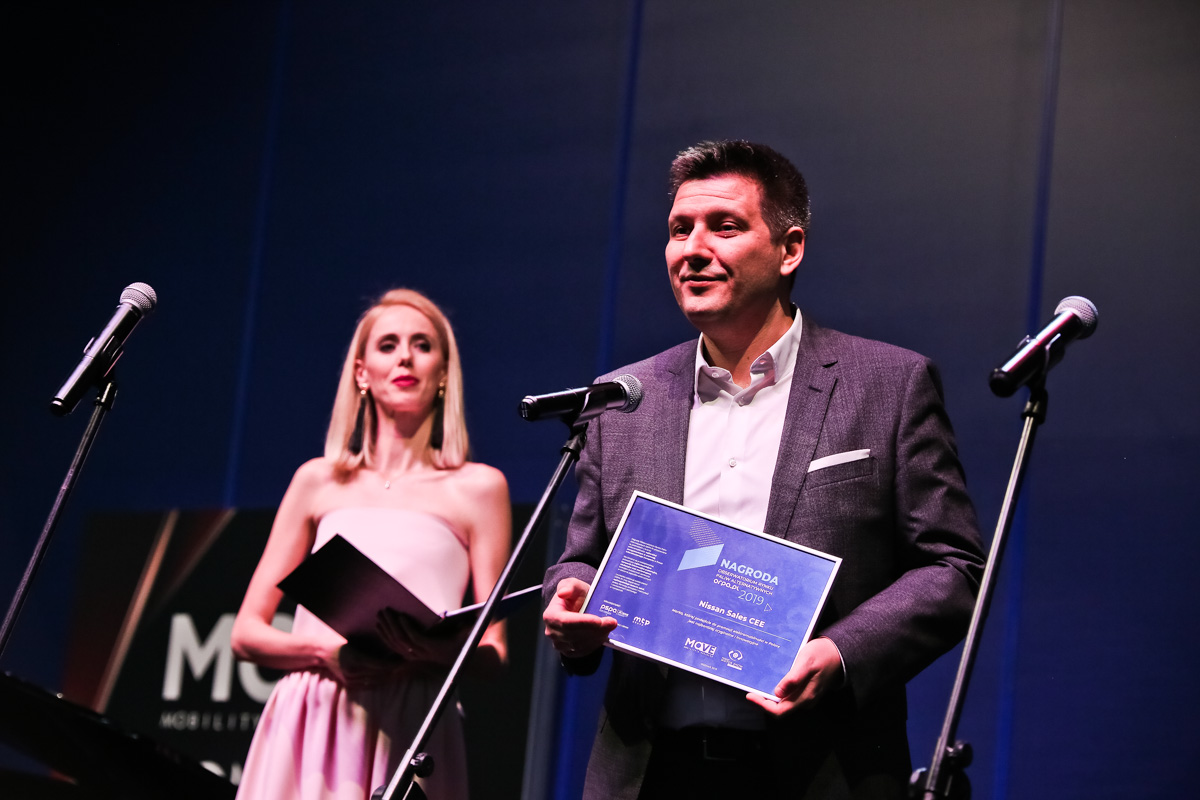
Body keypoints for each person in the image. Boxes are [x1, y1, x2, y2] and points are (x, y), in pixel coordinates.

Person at [542, 140, 986, 799]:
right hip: (652, 772)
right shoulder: (624, 398)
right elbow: (582, 558)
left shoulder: (888, 385)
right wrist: (570, 600)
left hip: (822, 770)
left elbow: (951, 568)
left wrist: (840, 653)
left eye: (724, 226)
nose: (693, 249)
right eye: (679, 230)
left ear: (789, 249)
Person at [231, 288, 511, 800]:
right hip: (313, 714)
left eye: (422, 344)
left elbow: (493, 651)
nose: (405, 357)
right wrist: (326, 652)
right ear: (361, 372)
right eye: (388, 345)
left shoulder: (479, 488)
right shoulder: (318, 480)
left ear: (443, 372)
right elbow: (246, 633)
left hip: (413, 720)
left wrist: (432, 651)